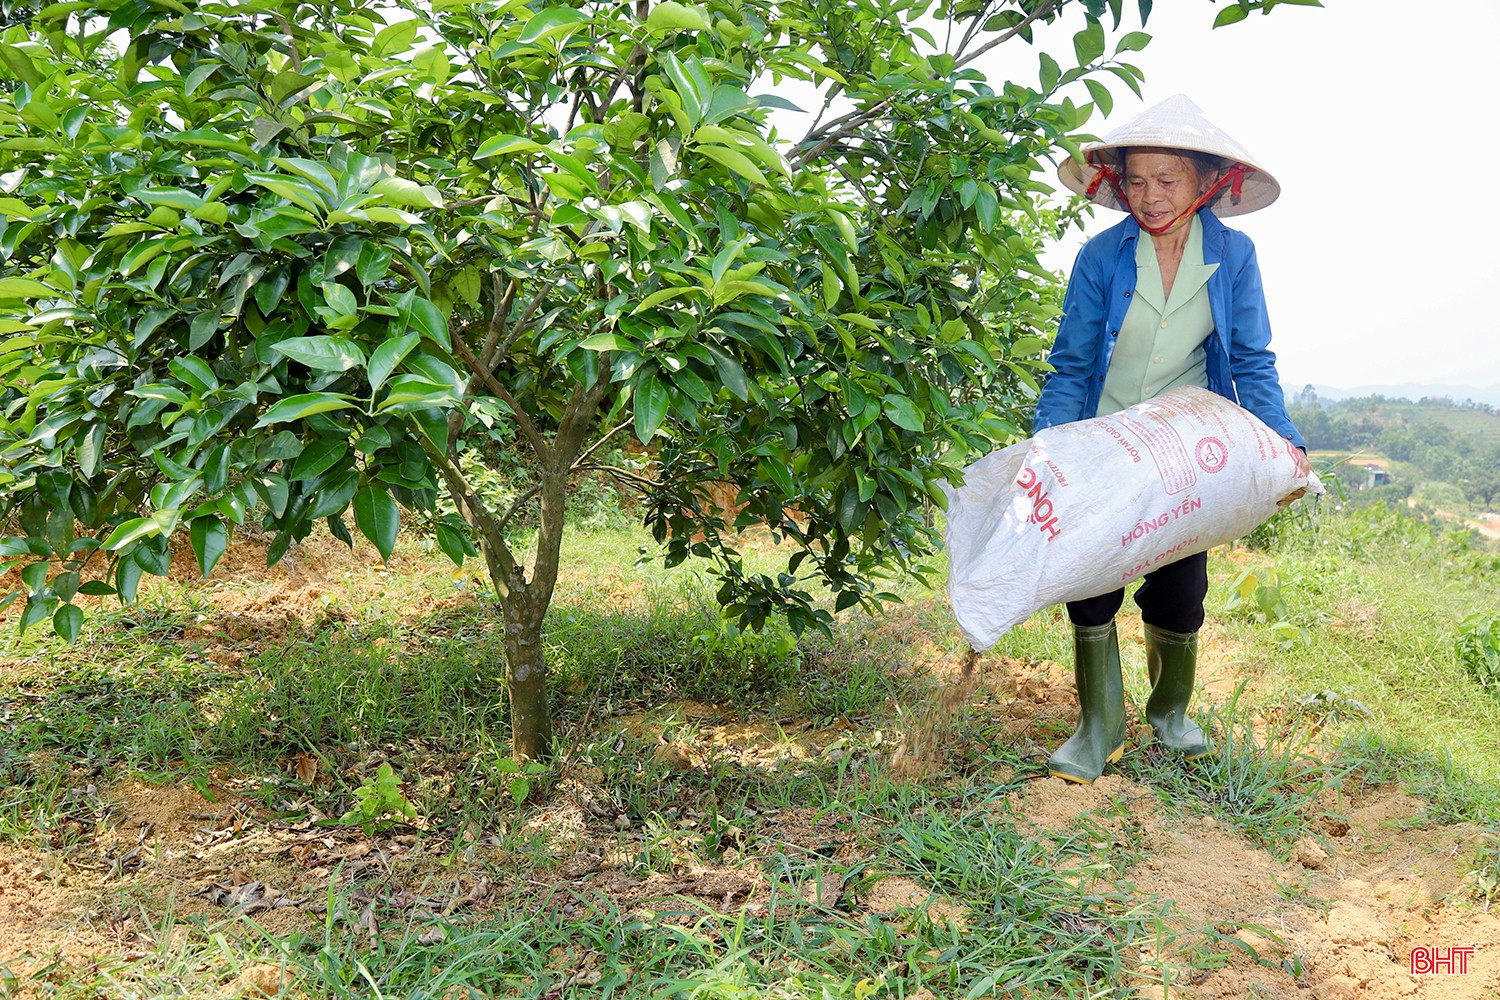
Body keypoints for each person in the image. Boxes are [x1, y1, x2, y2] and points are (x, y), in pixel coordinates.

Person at [1034, 94, 1308, 784]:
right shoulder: (1101, 257)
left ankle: (1170, 716)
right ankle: (1098, 728)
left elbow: (1251, 359)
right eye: (1136, 180)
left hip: (1184, 447)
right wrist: (1050, 449)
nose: (1150, 197)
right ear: (1117, 182)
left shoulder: (1235, 256)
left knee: (1180, 587)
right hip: (1104, 439)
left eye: (1168, 180)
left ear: (1205, 181)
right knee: (1092, 584)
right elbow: (1070, 366)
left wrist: (1285, 441)